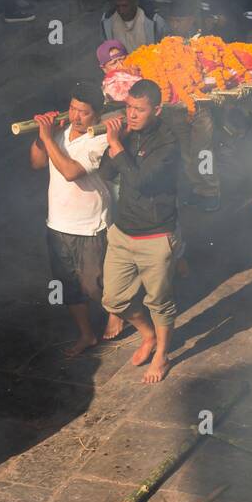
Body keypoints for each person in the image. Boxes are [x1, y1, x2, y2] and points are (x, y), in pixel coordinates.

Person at [30, 87, 123, 357]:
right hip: (58, 223)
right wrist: (41, 138)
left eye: (84, 112)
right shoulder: (59, 134)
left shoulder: (99, 139)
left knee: (97, 284)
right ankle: (86, 334)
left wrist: (48, 139)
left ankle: (117, 312)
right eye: (72, 109)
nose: (76, 116)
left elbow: (71, 172)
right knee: (69, 286)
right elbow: (37, 163)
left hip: (90, 224)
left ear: (96, 115)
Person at [98, 79, 181, 384]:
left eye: (139, 110)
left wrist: (119, 145)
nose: (131, 115)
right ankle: (148, 335)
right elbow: (106, 174)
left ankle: (162, 354)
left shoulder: (168, 143)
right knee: (114, 299)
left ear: (156, 110)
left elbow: (140, 181)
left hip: (156, 235)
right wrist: (115, 142)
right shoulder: (127, 135)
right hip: (123, 232)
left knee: (159, 301)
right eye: (128, 107)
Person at [161, 0, 221, 213]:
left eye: (180, 20)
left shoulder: (203, 43)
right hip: (177, 107)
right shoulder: (165, 44)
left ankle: (211, 191)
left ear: (191, 20)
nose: (176, 25)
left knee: (203, 151)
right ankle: (198, 189)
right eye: (173, 21)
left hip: (200, 106)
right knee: (186, 153)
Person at [100, 0, 168, 52]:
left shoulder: (155, 23)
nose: (121, 11)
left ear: (135, 2)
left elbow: (168, 50)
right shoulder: (107, 22)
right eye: (117, 6)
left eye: (125, 6)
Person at [98, 40, 141, 104]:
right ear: (104, 69)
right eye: (114, 63)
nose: (121, 65)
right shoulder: (107, 92)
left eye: (123, 59)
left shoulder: (143, 69)